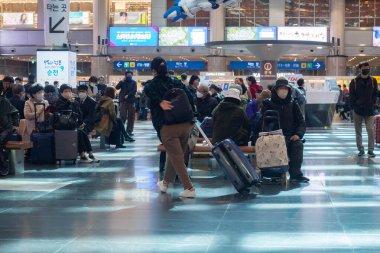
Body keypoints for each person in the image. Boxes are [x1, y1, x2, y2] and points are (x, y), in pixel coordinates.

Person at [144, 57, 196, 198]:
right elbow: (191, 96)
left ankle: (189, 188)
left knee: (177, 157)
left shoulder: (151, 85)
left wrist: (160, 101)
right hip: (186, 124)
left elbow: (148, 91)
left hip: (167, 126)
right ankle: (165, 183)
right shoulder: (177, 82)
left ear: (153, 70)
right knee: (174, 155)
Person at [261, 78, 309, 183]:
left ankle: (295, 175)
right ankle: (275, 174)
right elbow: (262, 122)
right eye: (280, 88)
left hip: (290, 136)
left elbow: (301, 122)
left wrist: (298, 134)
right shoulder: (268, 104)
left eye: (285, 88)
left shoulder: (293, 104)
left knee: (298, 145)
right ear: (275, 90)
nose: (283, 91)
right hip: (272, 136)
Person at [56, 84, 99, 163]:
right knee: (79, 133)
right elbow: (59, 109)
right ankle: (82, 155)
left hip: (72, 125)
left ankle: (90, 153)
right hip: (62, 126)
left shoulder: (75, 102)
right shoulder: (59, 101)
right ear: (61, 93)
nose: (68, 93)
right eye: (65, 91)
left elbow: (79, 113)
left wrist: (81, 122)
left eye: (69, 91)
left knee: (82, 132)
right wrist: (68, 102)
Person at [349, 62, 378, 158]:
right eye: (365, 68)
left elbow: (375, 94)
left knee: (370, 129)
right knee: (358, 131)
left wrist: (372, 103)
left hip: (369, 109)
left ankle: (370, 150)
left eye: (368, 68)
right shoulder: (354, 82)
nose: (367, 70)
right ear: (360, 69)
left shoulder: (373, 80)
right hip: (358, 110)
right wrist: (353, 107)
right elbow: (351, 96)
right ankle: (361, 149)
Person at [0, 96, 19, 175]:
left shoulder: (4, 101)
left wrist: (15, 125)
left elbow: (15, 113)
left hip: (6, 129)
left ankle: (3, 166)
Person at [116, 71, 137, 136]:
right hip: (123, 101)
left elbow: (134, 90)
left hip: (131, 101)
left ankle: (129, 131)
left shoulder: (134, 82)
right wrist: (121, 81)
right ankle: (122, 130)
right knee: (123, 116)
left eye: (130, 75)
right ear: (125, 76)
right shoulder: (123, 82)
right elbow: (117, 87)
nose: (129, 76)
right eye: (128, 75)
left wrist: (128, 95)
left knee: (131, 116)